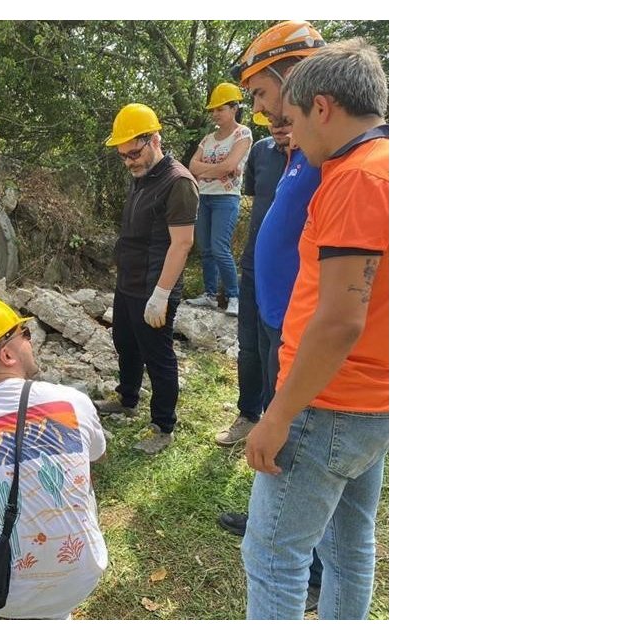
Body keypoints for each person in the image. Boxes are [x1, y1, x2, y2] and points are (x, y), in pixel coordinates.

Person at [240, 35, 390, 620]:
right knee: (349, 548)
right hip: (371, 401)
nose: (291, 135)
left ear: (322, 107)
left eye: (295, 119)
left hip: (325, 403)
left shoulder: (356, 180)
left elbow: (340, 320)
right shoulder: (389, 166)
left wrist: (277, 415)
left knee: (273, 557)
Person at [217, 21, 331, 612]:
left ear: (296, 76)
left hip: (302, 327)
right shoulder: (289, 150)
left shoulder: (330, 154)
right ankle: (267, 509)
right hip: (273, 315)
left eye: (261, 94)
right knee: (267, 407)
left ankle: (310, 568)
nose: (260, 112)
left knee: (299, 439)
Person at [0, 296, 108, 620]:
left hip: (0, 593)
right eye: (25, 334)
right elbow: (97, 455)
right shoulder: (72, 402)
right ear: (7, 354)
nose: (31, 341)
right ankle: (55, 610)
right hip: (81, 579)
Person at [93, 103, 197, 455]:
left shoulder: (178, 182)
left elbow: (182, 243)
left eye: (134, 154)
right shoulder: (142, 176)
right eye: (123, 156)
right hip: (129, 280)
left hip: (155, 285)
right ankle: (127, 398)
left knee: (158, 356)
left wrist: (162, 294)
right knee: (125, 342)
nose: (129, 162)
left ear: (154, 140)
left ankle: (163, 426)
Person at [214, 117, 291, 447]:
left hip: (289, 275)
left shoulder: (315, 156)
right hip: (253, 267)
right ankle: (248, 415)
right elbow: (253, 201)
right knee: (248, 347)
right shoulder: (261, 151)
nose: (278, 125)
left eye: (285, 119)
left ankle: (277, 426)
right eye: (272, 120)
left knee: (276, 350)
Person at [185, 83, 253, 315]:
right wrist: (219, 169)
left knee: (219, 247)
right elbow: (192, 166)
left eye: (220, 109)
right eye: (213, 109)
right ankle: (210, 295)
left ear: (234, 108)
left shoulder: (242, 133)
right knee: (205, 248)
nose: (215, 113)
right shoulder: (208, 139)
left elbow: (230, 165)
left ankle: (234, 296)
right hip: (204, 196)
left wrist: (207, 170)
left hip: (226, 198)